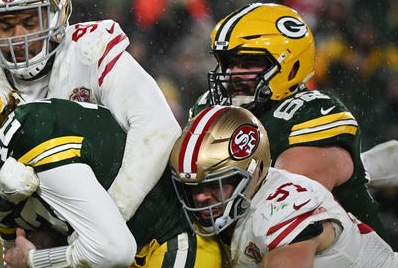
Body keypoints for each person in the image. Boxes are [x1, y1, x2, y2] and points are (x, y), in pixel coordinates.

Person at [0, 0, 181, 234]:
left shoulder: (90, 49)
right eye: (4, 25)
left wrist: (109, 218)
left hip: (132, 227)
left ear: (59, 14)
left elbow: (158, 127)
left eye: (29, 22)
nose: (17, 36)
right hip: (42, 235)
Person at [0, 73, 221, 268]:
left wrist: (33, 260)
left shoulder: (30, 136)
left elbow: (113, 250)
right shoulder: (3, 171)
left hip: (169, 244)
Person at [188, 2, 390, 242]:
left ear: (291, 67)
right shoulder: (211, 107)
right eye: (228, 62)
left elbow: (280, 211)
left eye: (247, 63)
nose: (232, 74)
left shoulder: (310, 113)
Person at [170, 105, 398, 267]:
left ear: (254, 172)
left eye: (214, 185)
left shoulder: (283, 205)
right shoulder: (245, 205)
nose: (200, 198)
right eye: (193, 187)